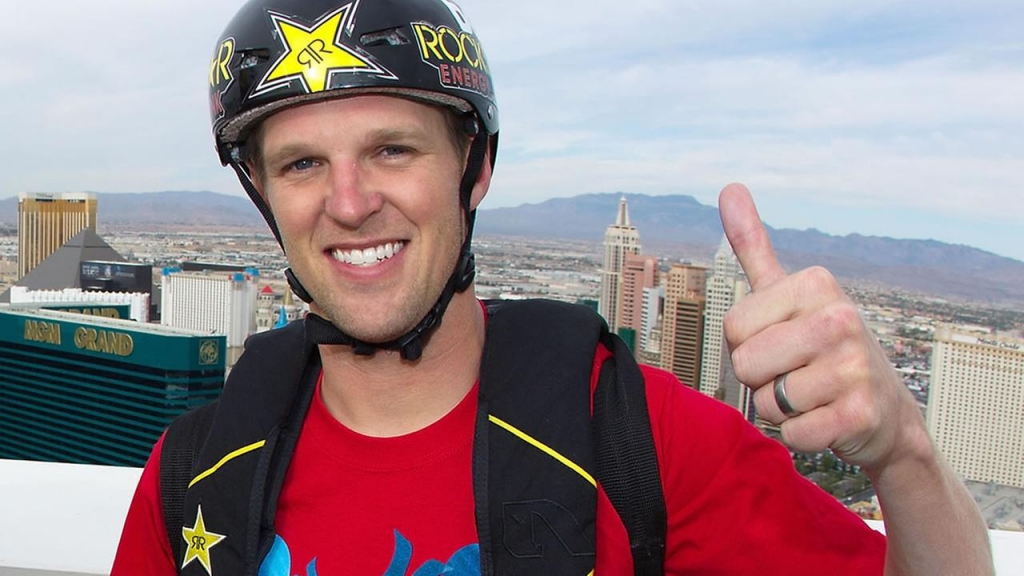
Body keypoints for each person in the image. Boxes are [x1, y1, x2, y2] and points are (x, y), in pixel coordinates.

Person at [111, 0, 993, 574]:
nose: (351, 203)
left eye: (393, 149)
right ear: (264, 196)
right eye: (303, 164)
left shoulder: (643, 441)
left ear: (476, 166)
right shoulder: (195, 472)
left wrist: (903, 452)